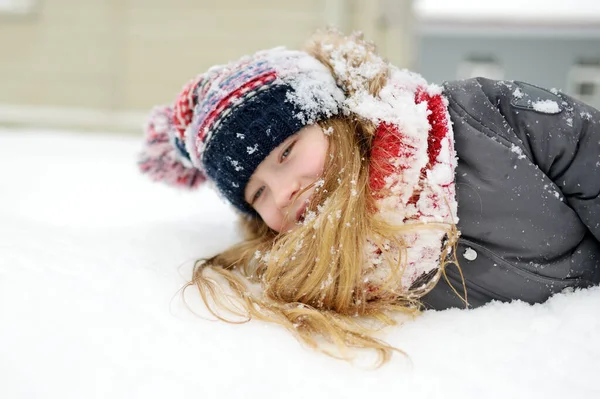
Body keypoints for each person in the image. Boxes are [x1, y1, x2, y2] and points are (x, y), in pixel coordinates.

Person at [138, 29, 600, 364]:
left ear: (339, 120)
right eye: (256, 192)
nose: (282, 193)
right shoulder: (306, 279)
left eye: (286, 152)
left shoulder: (489, 118)